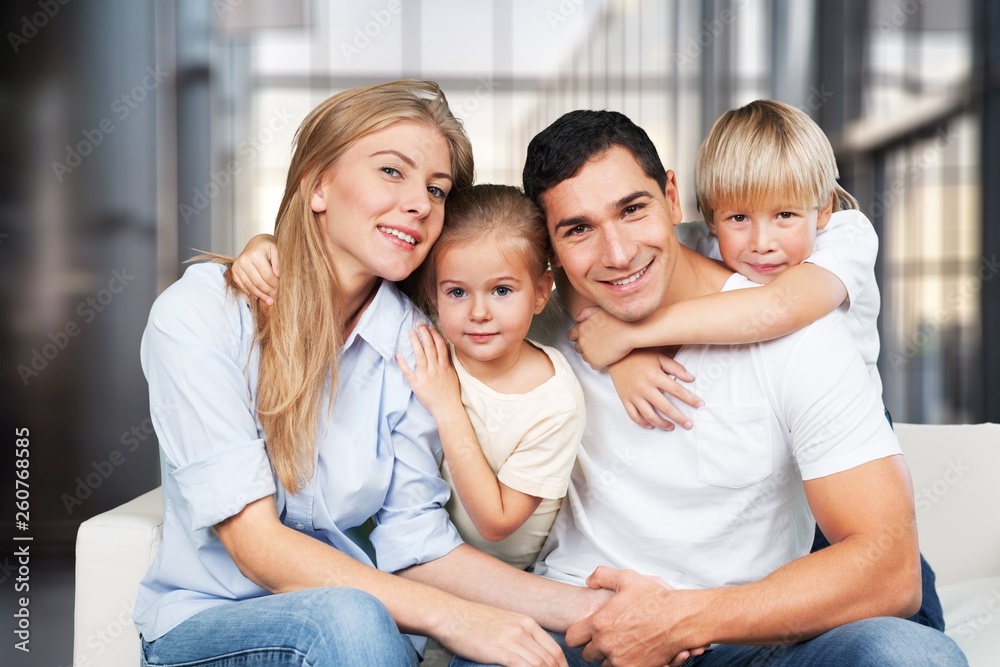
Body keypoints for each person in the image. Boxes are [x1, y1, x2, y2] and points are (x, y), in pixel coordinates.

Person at [134, 80, 606, 667]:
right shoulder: (200, 314)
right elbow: (257, 548)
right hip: (212, 625)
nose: (420, 203)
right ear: (318, 184)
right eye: (391, 172)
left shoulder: (416, 342)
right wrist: (453, 618)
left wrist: (591, 610)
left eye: (436, 189)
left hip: (364, 634)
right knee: (348, 615)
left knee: (576, 645)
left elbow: (417, 543)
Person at [518, 109, 967, 666]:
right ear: (550, 249)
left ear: (672, 197)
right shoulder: (522, 320)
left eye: (632, 209)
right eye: (578, 229)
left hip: (744, 636)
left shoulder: (799, 320)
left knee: (907, 653)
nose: (617, 253)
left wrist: (679, 619)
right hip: (578, 632)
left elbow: (890, 569)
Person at [397, 184, 585, 571]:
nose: (478, 312)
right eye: (457, 292)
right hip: (418, 550)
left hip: (502, 579)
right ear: (433, 295)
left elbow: (496, 522)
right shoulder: (430, 342)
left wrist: (447, 405)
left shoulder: (554, 402)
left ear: (540, 292)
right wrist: (264, 245)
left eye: (501, 290)